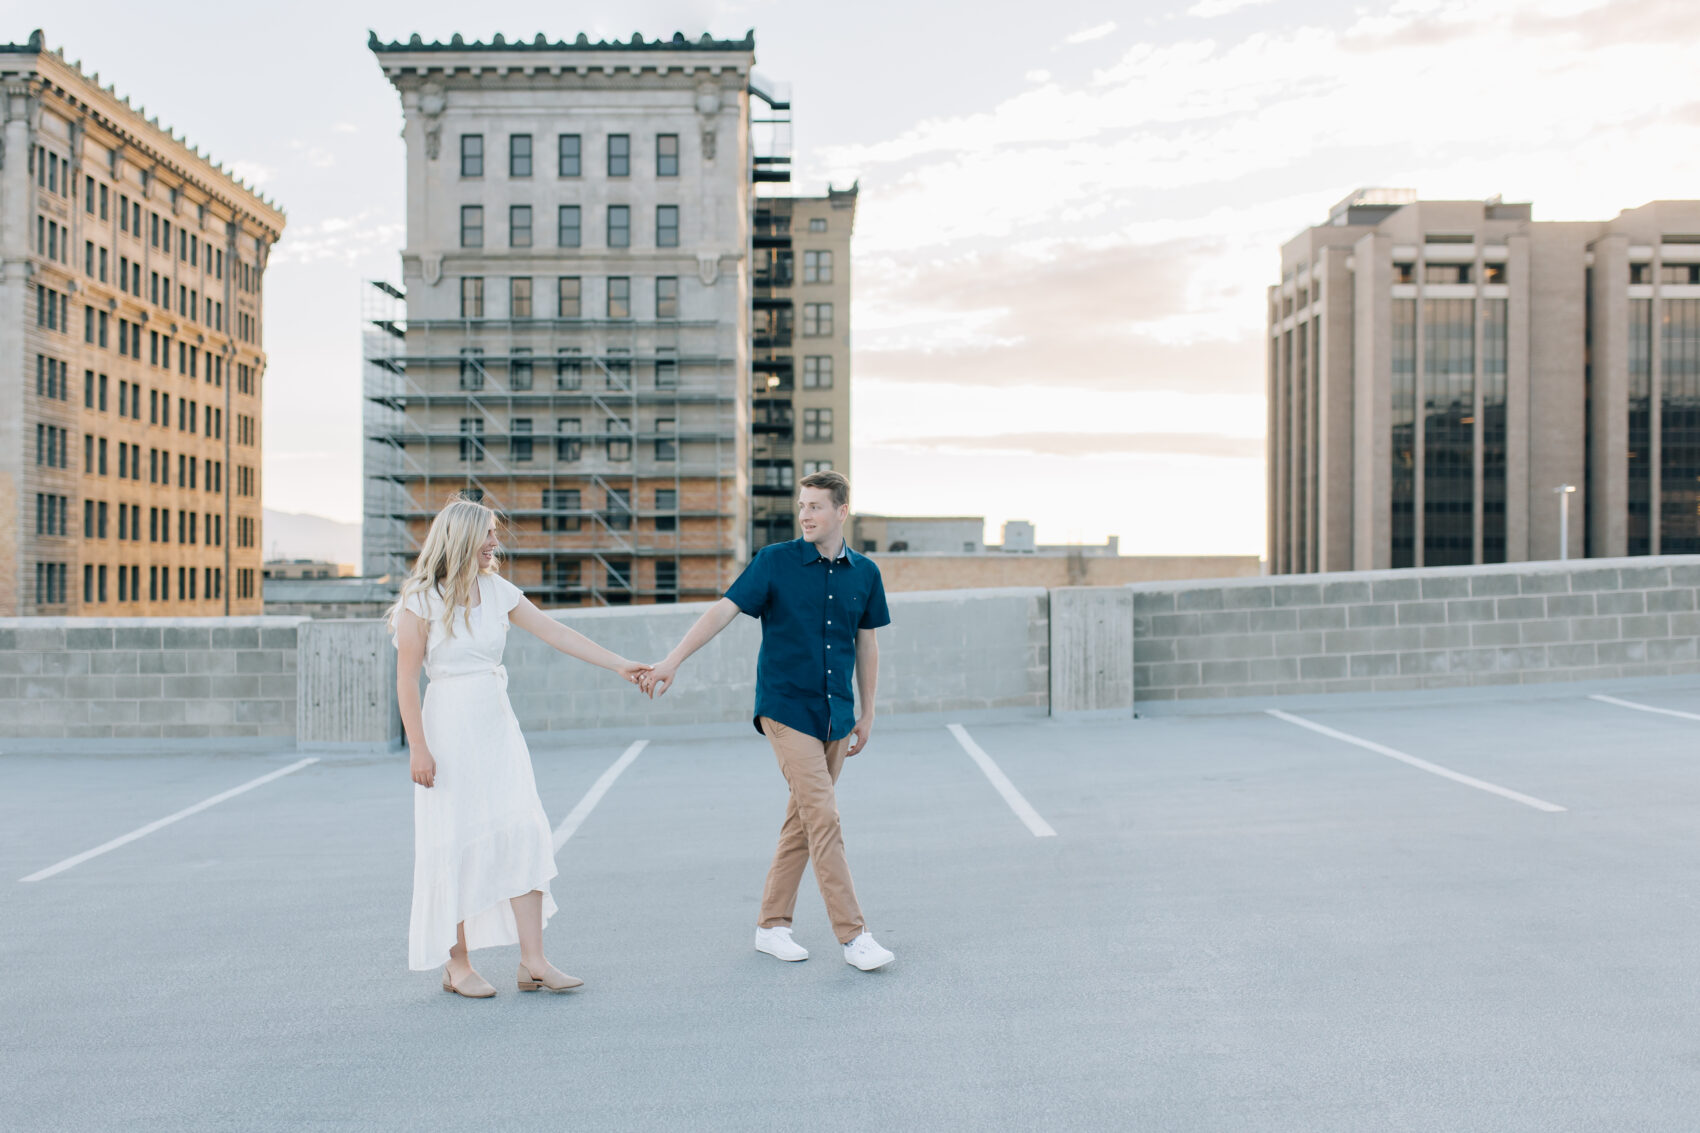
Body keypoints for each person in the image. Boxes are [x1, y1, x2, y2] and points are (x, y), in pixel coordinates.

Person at [389, 497, 650, 997]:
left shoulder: (498, 590)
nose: (495, 543)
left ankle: (534, 962)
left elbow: (556, 632)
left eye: (494, 534)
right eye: (488, 534)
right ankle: (457, 965)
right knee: (454, 843)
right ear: (462, 538)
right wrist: (417, 747)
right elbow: (405, 682)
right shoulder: (418, 602)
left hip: (497, 731)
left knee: (523, 832)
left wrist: (619, 664)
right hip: (447, 731)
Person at [641, 471, 896, 971]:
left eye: (816, 507)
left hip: (836, 717)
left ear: (841, 512)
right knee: (823, 816)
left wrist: (868, 712)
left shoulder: (865, 574)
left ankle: (771, 926)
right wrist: (673, 660)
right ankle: (854, 936)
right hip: (784, 709)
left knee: (802, 822)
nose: (805, 515)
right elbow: (722, 611)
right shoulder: (775, 562)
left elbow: (867, 643)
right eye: (802, 506)